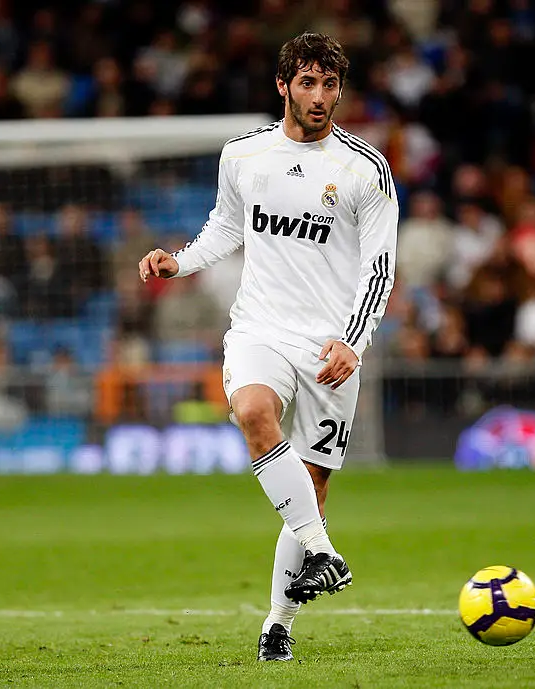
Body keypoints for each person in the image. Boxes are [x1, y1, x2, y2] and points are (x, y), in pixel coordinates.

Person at [137, 33, 398, 663]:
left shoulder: (365, 168)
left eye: (330, 84)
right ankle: (323, 550)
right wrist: (182, 260)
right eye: (307, 83)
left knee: (309, 488)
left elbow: (381, 266)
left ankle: (277, 623)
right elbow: (226, 225)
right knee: (253, 413)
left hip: (331, 345)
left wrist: (354, 340)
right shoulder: (244, 155)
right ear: (282, 86)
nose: (320, 96)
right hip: (259, 328)